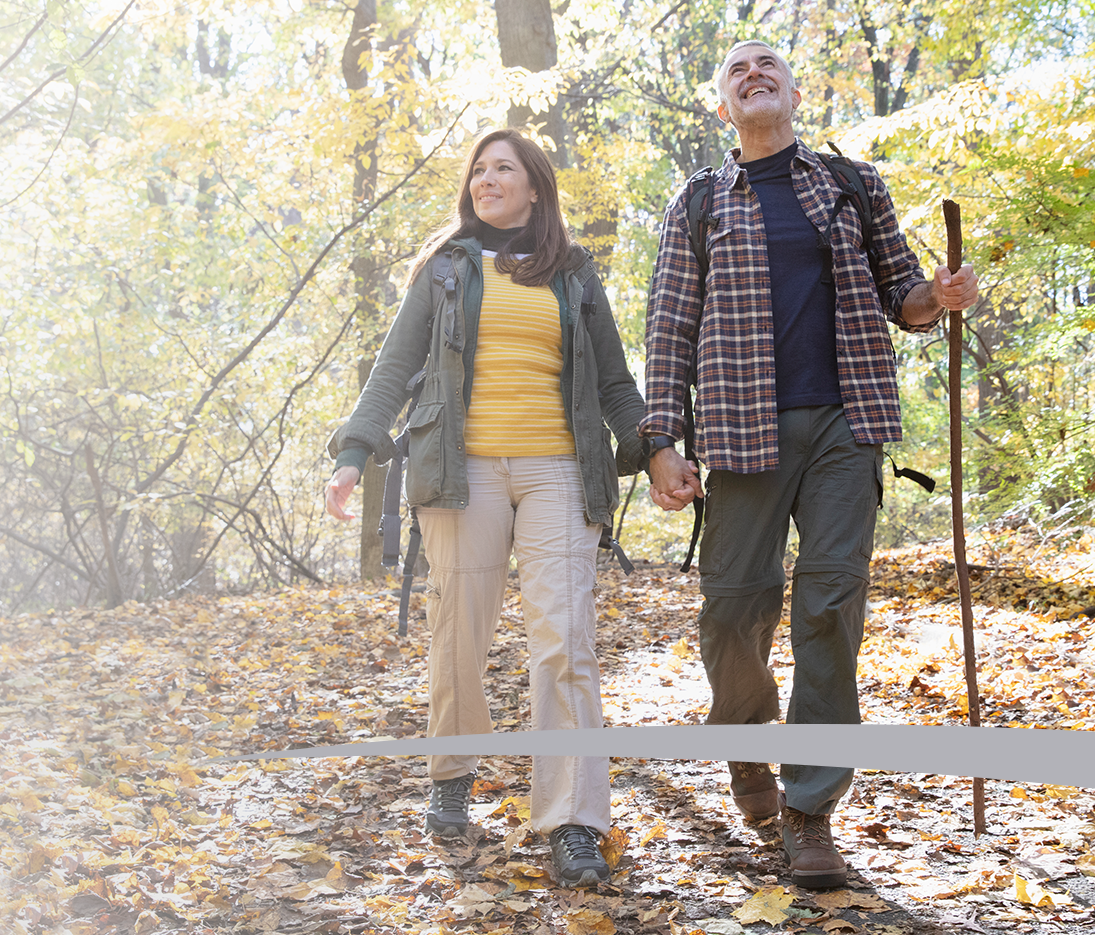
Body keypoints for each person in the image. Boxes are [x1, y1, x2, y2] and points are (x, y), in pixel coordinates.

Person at [639, 41, 981, 888]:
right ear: (723, 108)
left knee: (830, 606)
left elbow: (905, 295)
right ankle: (747, 749)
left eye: (769, 68)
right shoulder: (699, 203)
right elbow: (669, 330)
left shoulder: (851, 187)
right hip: (739, 432)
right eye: (737, 72)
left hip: (844, 425)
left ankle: (810, 809)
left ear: (794, 94)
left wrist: (940, 297)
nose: (754, 76)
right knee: (731, 615)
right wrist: (659, 442)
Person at [325, 129, 647, 888]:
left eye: (504, 167)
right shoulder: (444, 270)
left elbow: (614, 381)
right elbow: (394, 367)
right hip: (457, 469)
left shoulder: (573, 272)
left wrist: (655, 449)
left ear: (535, 187)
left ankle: (573, 818)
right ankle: (450, 773)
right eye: (478, 169)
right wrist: (352, 454)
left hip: (558, 470)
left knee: (565, 637)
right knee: (458, 630)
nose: (486, 178)